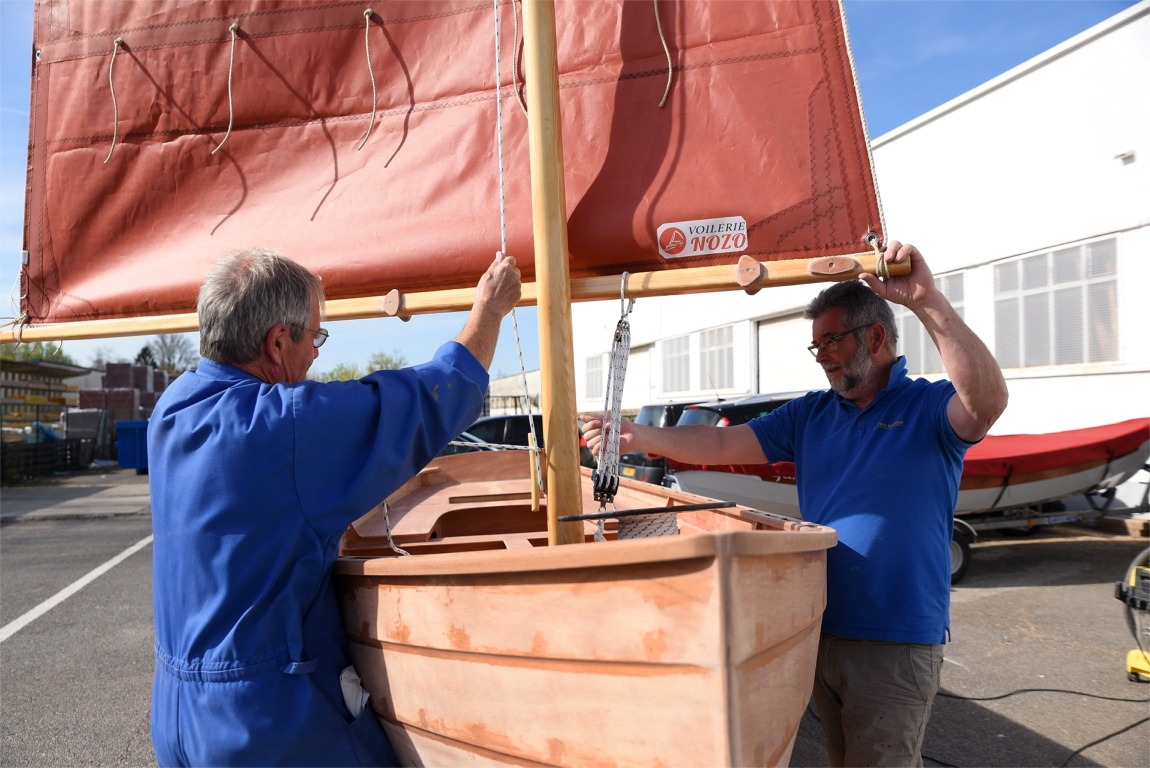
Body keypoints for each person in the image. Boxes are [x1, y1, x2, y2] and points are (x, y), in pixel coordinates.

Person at [582, 242, 1008, 767]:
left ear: (875, 337)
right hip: (818, 627)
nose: (822, 354)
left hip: (894, 643)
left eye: (830, 340)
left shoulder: (925, 407)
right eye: (816, 345)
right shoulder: (811, 414)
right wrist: (636, 435)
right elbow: (722, 444)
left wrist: (927, 302)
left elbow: (986, 404)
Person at [148, 248, 521, 766]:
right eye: (315, 337)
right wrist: (489, 310)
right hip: (261, 723)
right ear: (277, 341)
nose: (318, 354)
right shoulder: (282, 427)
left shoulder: (173, 409)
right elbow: (431, 396)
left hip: (178, 711)